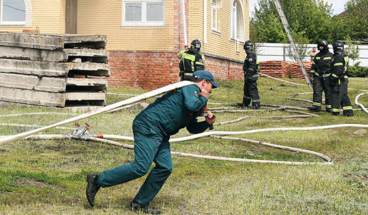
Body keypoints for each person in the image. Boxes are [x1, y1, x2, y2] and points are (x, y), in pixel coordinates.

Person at [85, 70, 218, 213]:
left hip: (161, 133)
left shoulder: (196, 99)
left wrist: (207, 123)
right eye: (211, 87)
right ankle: (97, 180)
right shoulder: (190, 87)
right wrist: (204, 98)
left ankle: (139, 203)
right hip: (149, 125)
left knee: (165, 167)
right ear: (204, 83)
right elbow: (192, 105)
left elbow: (192, 128)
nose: (211, 91)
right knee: (140, 167)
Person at [330, 41, 354, 116]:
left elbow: (338, 70)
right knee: (343, 95)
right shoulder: (344, 55)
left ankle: (335, 112)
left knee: (336, 95)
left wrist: (332, 78)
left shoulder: (338, 56)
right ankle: (348, 112)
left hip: (339, 79)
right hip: (343, 78)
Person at [308, 40, 333, 112]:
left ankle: (329, 107)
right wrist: (312, 75)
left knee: (328, 92)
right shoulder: (317, 56)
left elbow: (334, 67)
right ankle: (316, 106)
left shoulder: (331, 55)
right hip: (318, 77)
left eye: (322, 46)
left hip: (328, 77)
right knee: (317, 91)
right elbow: (314, 66)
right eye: (319, 46)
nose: (320, 48)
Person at [241, 40, 261, 109]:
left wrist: (249, 75)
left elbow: (252, 66)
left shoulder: (251, 54)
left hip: (251, 76)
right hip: (249, 76)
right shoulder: (250, 54)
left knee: (253, 90)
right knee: (246, 90)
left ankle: (256, 105)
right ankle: (245, 103)